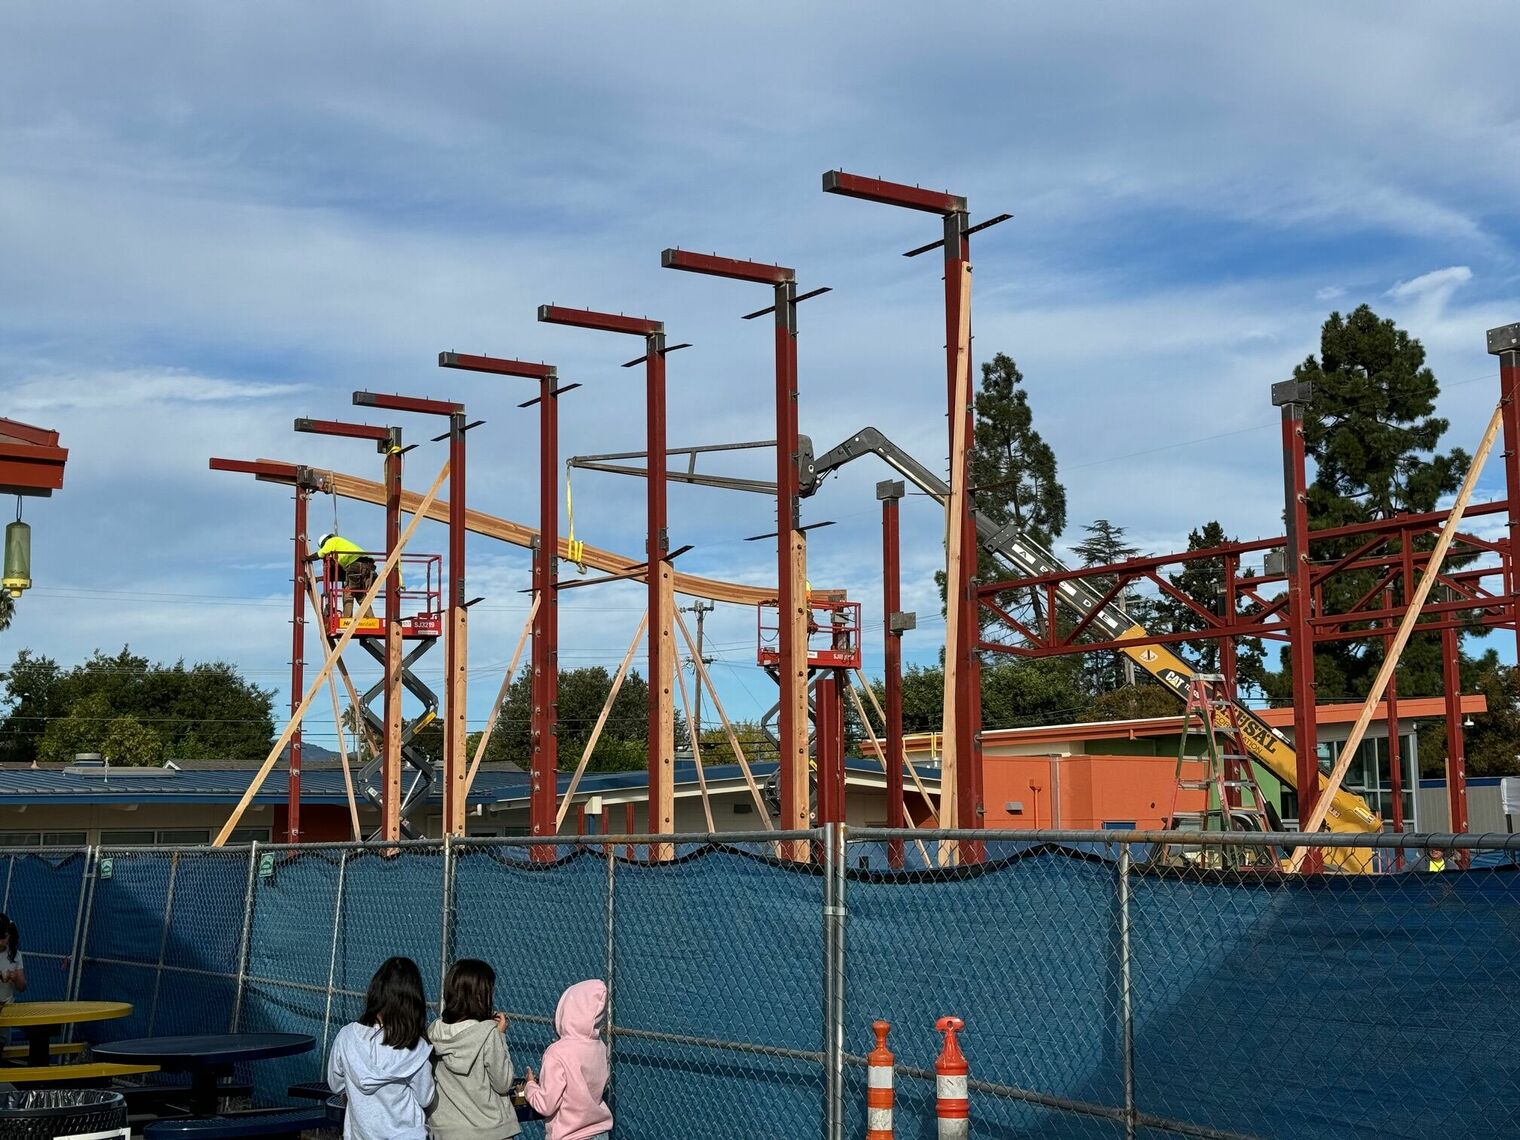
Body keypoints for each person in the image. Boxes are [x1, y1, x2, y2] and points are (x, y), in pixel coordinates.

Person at [328, 956, 435, 1140]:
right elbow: (425, 1098)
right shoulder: (415, 1046)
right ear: (413, 1001)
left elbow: (335, 1084)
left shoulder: (346, 1036)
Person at [428, 959, 521, 1140]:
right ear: (481, 996)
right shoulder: (488, 1034)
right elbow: (503, 1083)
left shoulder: (434, 1032)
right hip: (489, 1131)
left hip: (446, 1130)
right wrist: (500, 1036)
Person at [522, 979, 612, 1140]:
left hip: (568, 1135)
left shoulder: (557, 1052)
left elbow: (546, 1105)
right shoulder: (600, 1048)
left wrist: (530, 1086)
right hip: (600, 1133)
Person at [312, 533, 377, 619]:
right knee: (359, 593)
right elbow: (342, 577)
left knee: (348, 592)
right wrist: (319, 579)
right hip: (368, 567)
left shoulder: (331, 541)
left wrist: (307, 558)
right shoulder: (342, 547)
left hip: (356, 565)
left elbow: (321, 553)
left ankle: (346, 620)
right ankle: (371, 619)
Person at [0, 914, 25, 1007]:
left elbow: (22, 987)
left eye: (5, 936)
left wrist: (16, 978)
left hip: (7, 1006)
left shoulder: (15, 955)